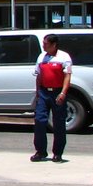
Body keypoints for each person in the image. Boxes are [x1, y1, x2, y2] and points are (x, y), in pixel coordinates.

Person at [32, 33, 72, 163]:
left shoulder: (64, 57)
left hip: (57, 92)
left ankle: (58, 153)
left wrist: (63, 93)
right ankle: (40, 151)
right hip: (44, 92)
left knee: (58, 123)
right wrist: (38, 93)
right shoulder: (41, 57)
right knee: (39, 120)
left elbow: (67, 76)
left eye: (46, 44)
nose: (43, 46)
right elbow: (38, 75)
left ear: (54, 45)